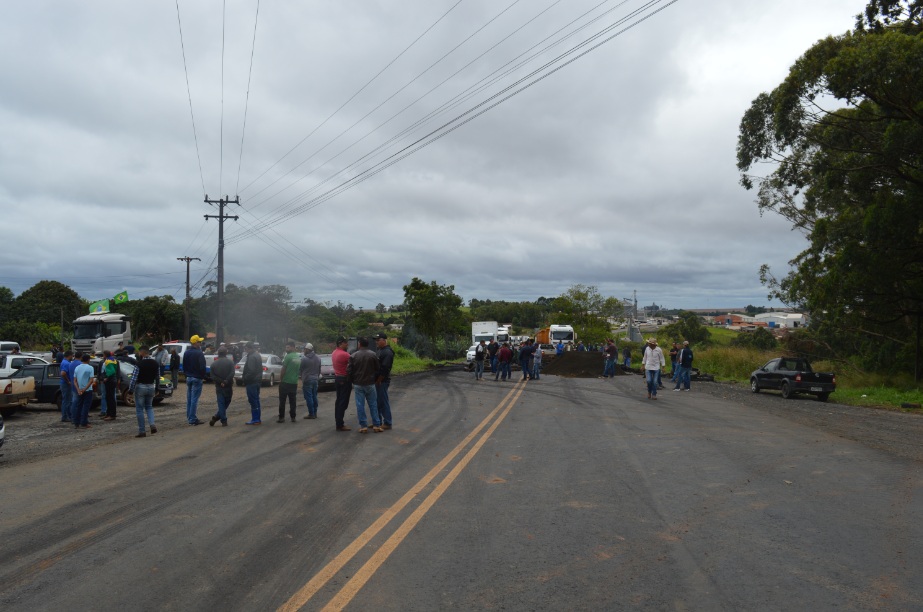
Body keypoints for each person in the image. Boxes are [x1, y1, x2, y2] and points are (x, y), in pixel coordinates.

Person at [347, 337, 381, 433]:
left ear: (359, 344)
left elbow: (349, 371)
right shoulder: (373, 355)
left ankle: (363, 426)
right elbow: (377, 368)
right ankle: (376, 425)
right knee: (373, 404)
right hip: (370, 383)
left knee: (360, 405)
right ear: (368, 345)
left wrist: (352, 380)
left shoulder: (353, 356)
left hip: (358, 384)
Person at [131, 346, 159, 437]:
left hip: (141, 387)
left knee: (139, 409)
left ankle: (142, 431)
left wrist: (131, 390)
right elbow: (157, 377)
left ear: (142, 353)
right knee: (149, 407)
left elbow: (134, 378)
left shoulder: (139, 364)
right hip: (151, 386)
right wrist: (157, 388)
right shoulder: (155, 363)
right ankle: (152, 424)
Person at [183, 334, 207, 425]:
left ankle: (189, 417)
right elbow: (202, 367)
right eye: (199, 342)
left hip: (189, 377)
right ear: (196, 343)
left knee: (189, 399)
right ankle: (192, 419)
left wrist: (186, 375)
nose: (200, 344)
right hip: (197, 378)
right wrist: (202, 376)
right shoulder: (199, 353)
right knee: (194, 399)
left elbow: (184, 365)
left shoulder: (186, 353)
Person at [209, 346, 235, 426]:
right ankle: (223, 419)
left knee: (221, 403)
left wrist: (221, 382)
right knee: (227, 401)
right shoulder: (230, 362)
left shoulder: (213, 364)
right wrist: (226, 381)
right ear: (226, 353)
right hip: (228, 385)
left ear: (218, 353)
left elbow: (212, 376)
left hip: (219, 386)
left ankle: (218, 417)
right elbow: (232, 373)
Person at [332, 337, 352, 431]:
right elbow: (354, 365)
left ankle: (338, 421)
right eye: (346, 343)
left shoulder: (334, 352)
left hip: (337, 378)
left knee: (339, 400)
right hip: (344, 379)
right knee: (343, 402)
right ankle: (340, 424)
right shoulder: (345, 355)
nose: (347, 344)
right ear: (341, 344)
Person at [375, 332, 394, 430]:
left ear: (384, 340)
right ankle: (377, 421)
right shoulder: (380, 350)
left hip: (382, 381)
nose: (377, 342)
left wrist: (379, 380)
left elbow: (385, 368)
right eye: (376, 340)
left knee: (383, 401)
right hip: (378, 380)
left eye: (378, 340)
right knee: (378, 401)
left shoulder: (387, 352)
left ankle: (387, 422)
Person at [278, 341, 300, 423]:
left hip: (285, 382)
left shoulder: (288, 357)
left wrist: (281, 379)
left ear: (293, 347)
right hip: (294, 382)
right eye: (286, 347)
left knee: (282, 401)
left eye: (288, 347)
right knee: (293, 401)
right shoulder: (298, 357)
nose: (286, 349)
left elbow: (283, 369)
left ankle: (281, 417)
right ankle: (293, 417)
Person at [72, 353, 96, 428]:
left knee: (78, 406)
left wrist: (78, 389)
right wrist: (84, 389)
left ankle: (76, 422)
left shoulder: (77, 368)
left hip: (79, 390)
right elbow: (91, 380)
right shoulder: (90, 368)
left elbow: (75, 381)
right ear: (88, 360)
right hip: (87, 390)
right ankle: (84, 422)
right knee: (86, 407)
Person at [242, 341, 263, 425]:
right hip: (257, 381)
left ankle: (255, 419)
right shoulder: (257, 355)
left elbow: (251, 371)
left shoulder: (251, 357)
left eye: (245, 348)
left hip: (252, 382)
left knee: (253, 400)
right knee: (256, 400)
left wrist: (245, 379)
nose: (245, 350)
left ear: (248, 348)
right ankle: (257, 418)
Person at [300, 344, 321, 419]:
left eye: (304, 349)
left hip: (307, 379)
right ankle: (315, 413)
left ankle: (311, 413)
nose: (304, 351)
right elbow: (319, 370)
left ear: (307, 350)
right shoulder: (318, 358)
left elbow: (301, 369)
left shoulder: (304, 359)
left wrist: (302, 377)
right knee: (314, 396)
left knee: (309, 397)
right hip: (315, 379)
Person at [101, 351, 120, 420]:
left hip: (110, 381)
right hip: (113, 380)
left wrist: (106, 378)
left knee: (110, 398)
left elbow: (112, 371)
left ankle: (111, 415)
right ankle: (109, 413)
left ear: (105, 355)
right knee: (109, 397)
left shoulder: (108, 361)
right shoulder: (114, 360)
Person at [59, 350, 74, 423]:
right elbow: (63, 373)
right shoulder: (66, 363)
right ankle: (65, 416)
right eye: (72, 356)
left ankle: (67, 415)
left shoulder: (64, 362)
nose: (72, 357)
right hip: (66, 384)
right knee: (67, 401)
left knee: (66, 400)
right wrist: (68, 381)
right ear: (69, 355)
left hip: (64, 383)